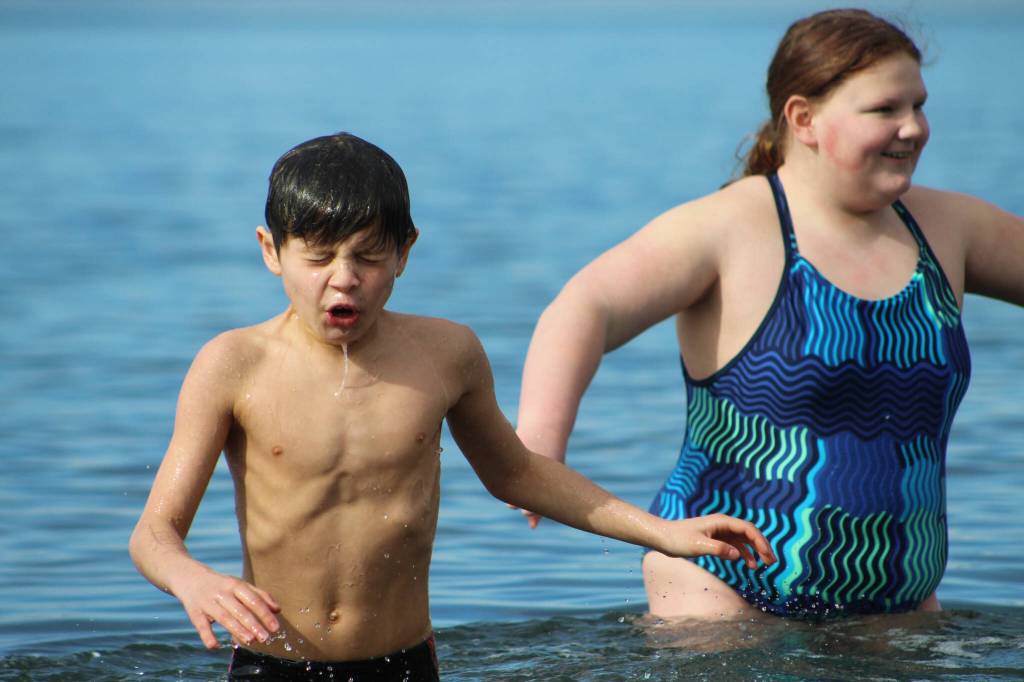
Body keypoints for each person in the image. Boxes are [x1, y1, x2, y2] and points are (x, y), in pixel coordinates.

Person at [128, 132, 775, 680]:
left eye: (368, 257)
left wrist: (665, 533)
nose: (343, 278)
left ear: (405, 252)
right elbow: (154, 535)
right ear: (271, 251)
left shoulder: (446, 354)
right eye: (318, 257)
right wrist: (192, 579)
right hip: (273, 663)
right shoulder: (232, 365)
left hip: (404, 664)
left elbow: (518, 474)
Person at [515, 8, 1024, 620]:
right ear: (803, 118)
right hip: (719, 588)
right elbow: (583, 307)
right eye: (885, 109)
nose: (913, 127)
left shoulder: (949, 227)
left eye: (918, 105)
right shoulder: (732, 226)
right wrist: (538, 448)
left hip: (897, 601)